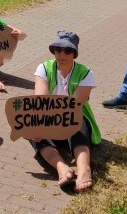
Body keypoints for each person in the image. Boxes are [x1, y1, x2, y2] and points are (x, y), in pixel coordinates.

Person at [31, 30, 100, 193]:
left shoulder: (86, 73)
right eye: (58, 49)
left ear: (74, 53)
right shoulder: (44, 67)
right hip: (50, 120)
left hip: (72, 118)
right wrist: (38, 126)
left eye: (68, 50)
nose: (62, 54)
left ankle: (84, 170)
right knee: (31, 128)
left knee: (77, 122)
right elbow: (40, 101)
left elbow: (74, 105)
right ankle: (62, 168)